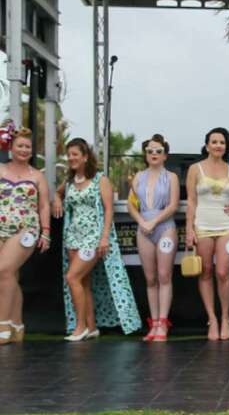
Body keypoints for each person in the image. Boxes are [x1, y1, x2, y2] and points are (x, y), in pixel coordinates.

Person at [53, 138, 141, 340]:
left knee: (72, 278)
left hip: (92, 237)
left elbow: (109, 209)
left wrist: (104, 238)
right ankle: (91, 327)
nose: (71, 158)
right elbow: (57, 194)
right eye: (69, 155)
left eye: (75, 154)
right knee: (82, 282)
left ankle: (80, 327)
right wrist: (57, 199)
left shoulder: (100, 179)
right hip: (73, 237)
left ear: (85, 157)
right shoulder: (69, 181)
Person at [185, 128, 229, 341]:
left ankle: (225, 317)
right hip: (202, 226)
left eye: (221, 142)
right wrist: (189, 228)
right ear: (207, 145)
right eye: (214, 142)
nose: (217, 145)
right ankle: (212, 319)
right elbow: (191, 201)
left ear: (226, 146)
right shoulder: (195, 169)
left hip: (226, 226)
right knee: (205, 271)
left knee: (223, 272)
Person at [0, 123, 51, 345]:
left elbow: (44, 206)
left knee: (4, 271)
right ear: (11, 147)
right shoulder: (0, 169)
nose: (24, 150)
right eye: (20, 146)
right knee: (10, 276)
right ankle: (17, 325)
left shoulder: (37, 175)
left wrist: (46, 232)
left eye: (28, 147)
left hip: (25, 229)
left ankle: (2, 325)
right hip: (1, 226)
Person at [129, 134, 181, 342]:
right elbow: (131, 205)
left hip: (164, 227)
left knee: (163, 275)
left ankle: (163, 322)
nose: (154, 154)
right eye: (150, 150)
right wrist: (142, 221)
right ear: (145, 154)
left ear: (165, 155)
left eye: (158, 151)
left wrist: (153, 222)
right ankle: (154, 323)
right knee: (150, 279)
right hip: (144, 229)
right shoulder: (138, 177)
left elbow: (173, 205)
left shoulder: (171, 177)